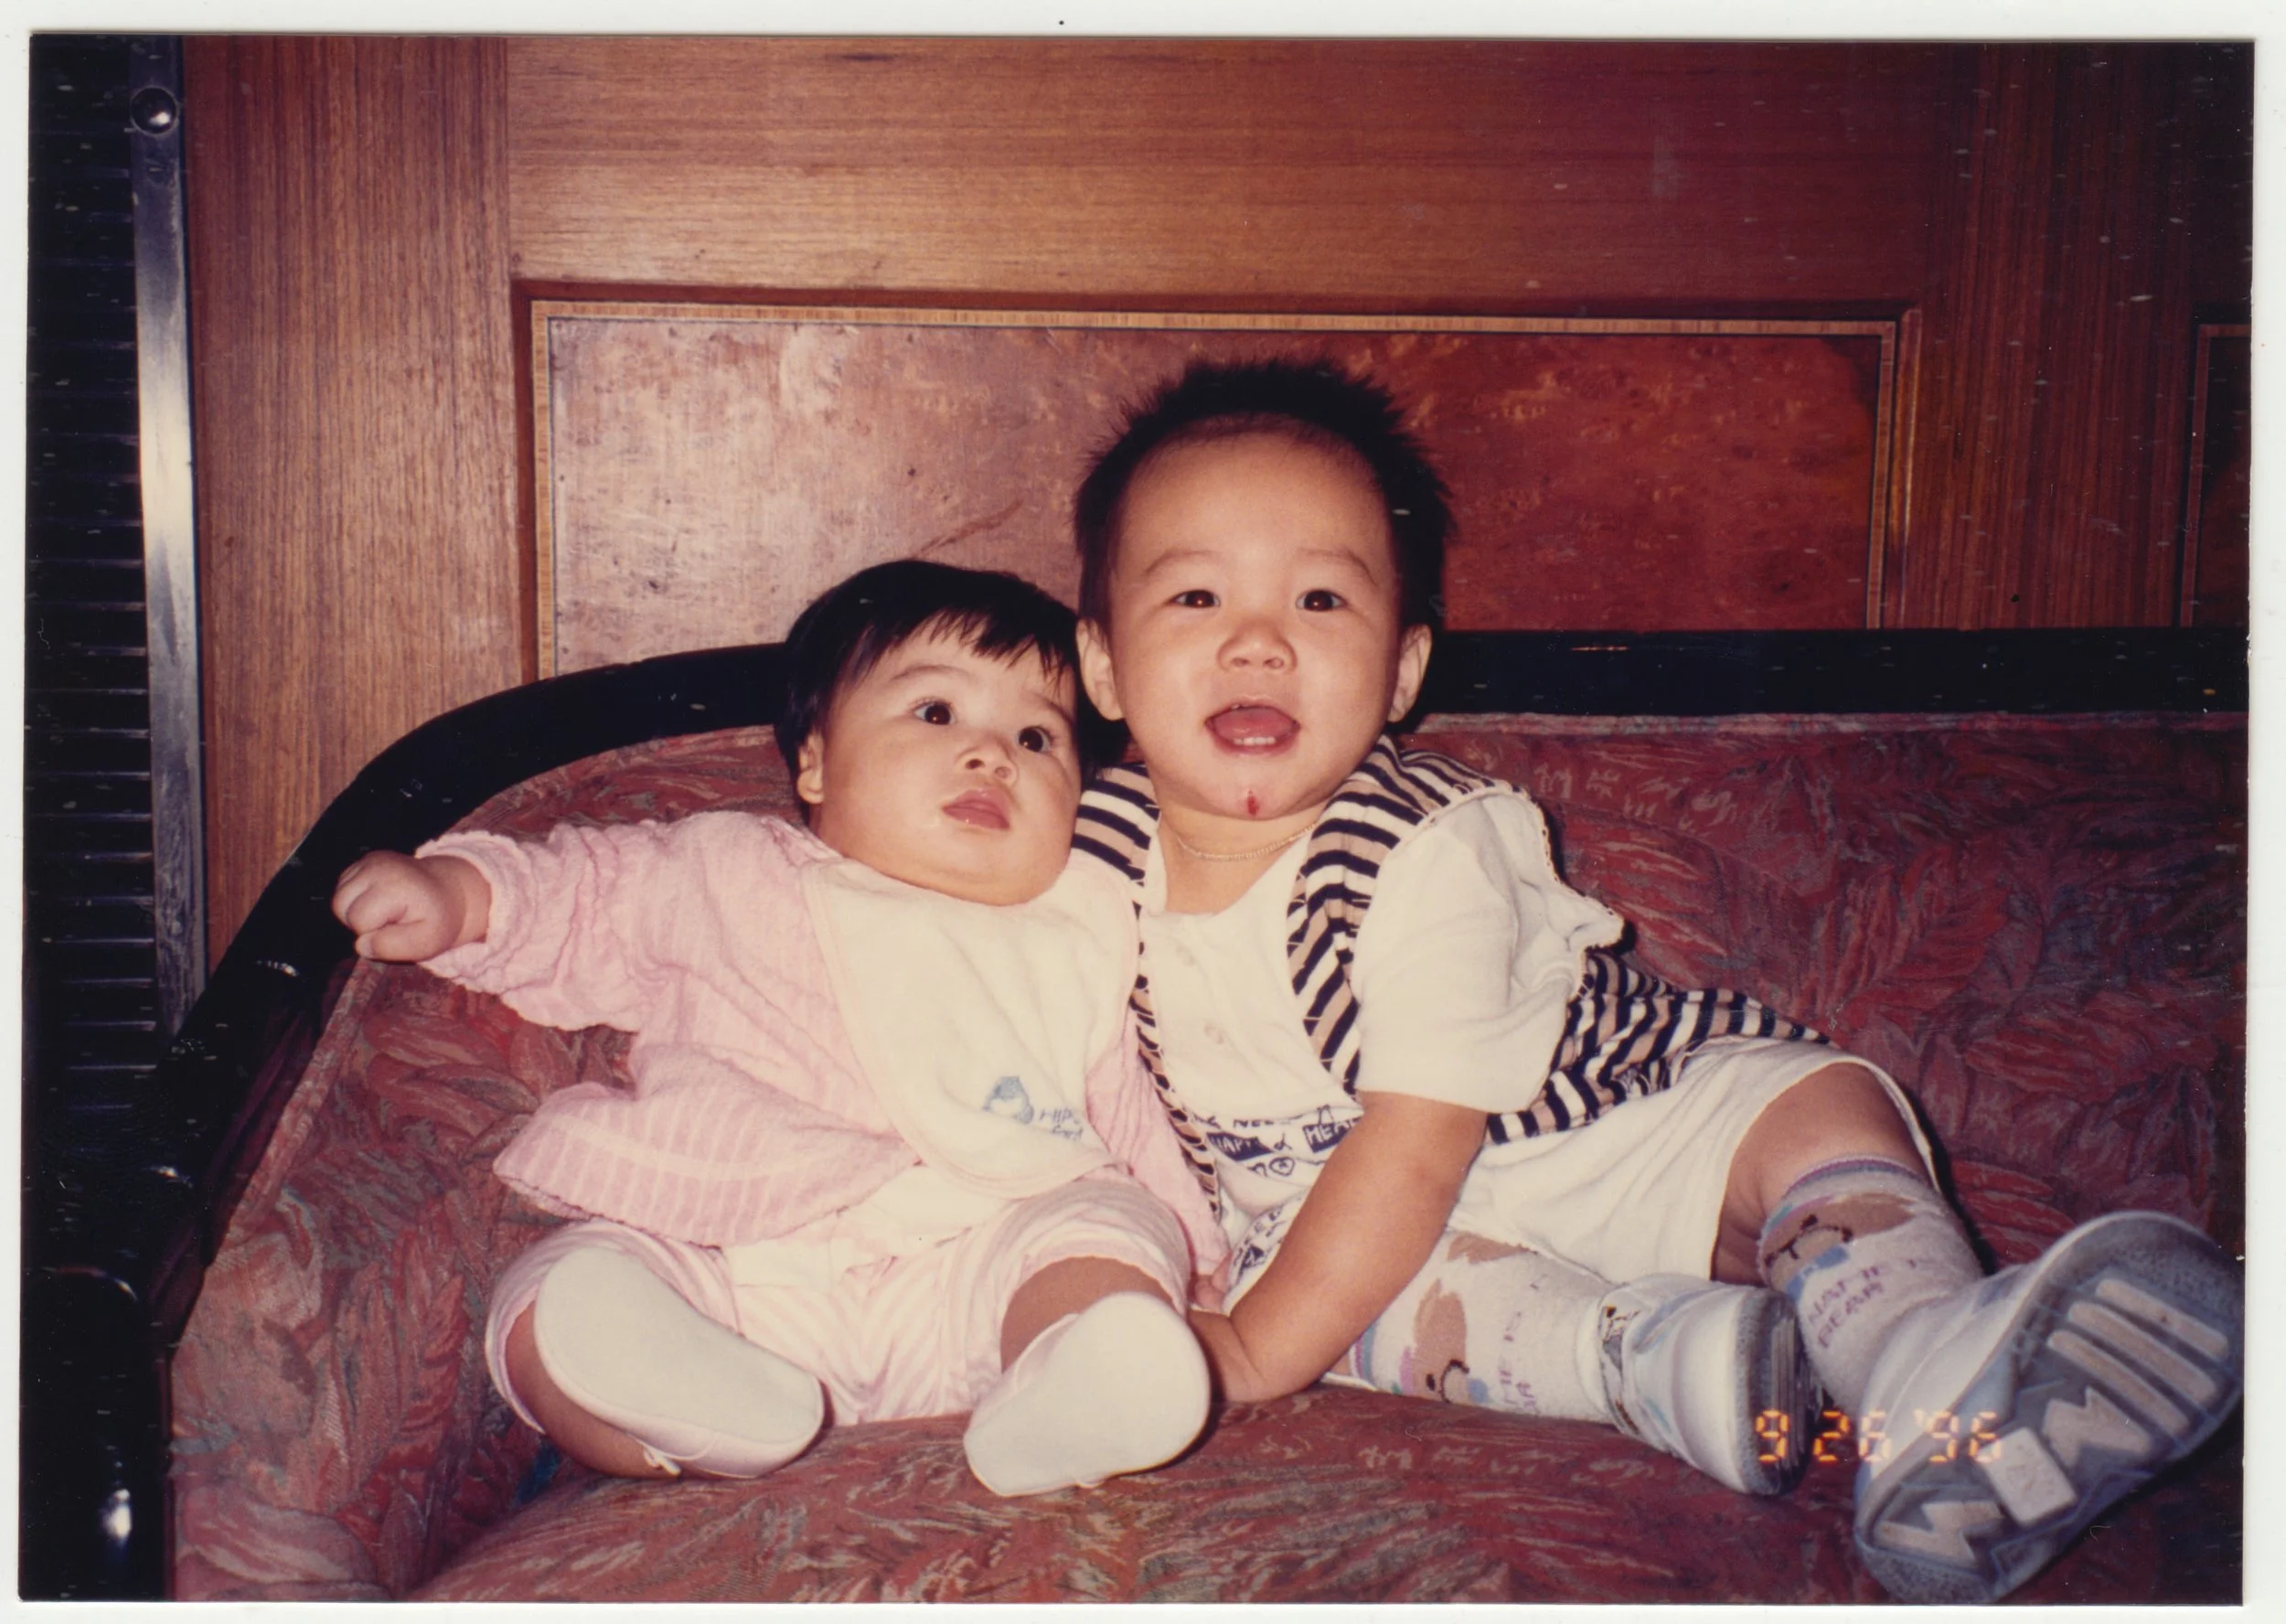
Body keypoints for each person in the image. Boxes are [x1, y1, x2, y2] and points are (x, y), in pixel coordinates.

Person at [1063, 358, 2245, 1604]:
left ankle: (1922, 1362)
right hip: (1347, 1235)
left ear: (1404, 672)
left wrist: (1250, 1350)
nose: (1258, 640)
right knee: (1376, 1316)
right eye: (1194, 595)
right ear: (1100, 667)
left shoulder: (1424, 843)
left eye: (1318, 599)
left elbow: (1415, 1144)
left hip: (1609, 1133)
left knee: (1817, 1102)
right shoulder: (1083, 855)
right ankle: (1665, 1363)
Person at [331, 559, 1227, 1498]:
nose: (991, 755)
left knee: (1106, 1221)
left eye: (1039, 737)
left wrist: (1191, 1272)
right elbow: (579, 897)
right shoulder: (724, 868)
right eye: (935, 713)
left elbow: (1123, 1111)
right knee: (557, 1290)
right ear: (815, 761)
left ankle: (1074, 1380)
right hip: (733, 1270)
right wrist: (457, 892)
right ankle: (684, 1408)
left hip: (969, 1283)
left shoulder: (1075, 925)